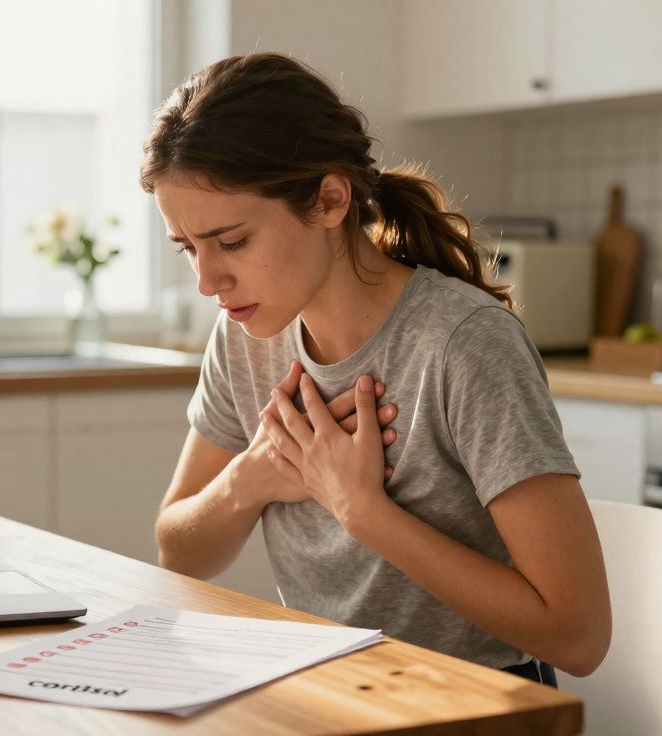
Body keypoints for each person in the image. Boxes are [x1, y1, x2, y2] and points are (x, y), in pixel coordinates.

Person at [142, 53, 611, 685]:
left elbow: (578, 637)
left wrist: (363, 511)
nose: (206, 282)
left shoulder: (463, 345)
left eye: (231, 243)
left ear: (329, 200)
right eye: (187, 249)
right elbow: (178, 551)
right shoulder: (246, 335)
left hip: (470, 705)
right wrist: (249, 480)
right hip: (321, 686)